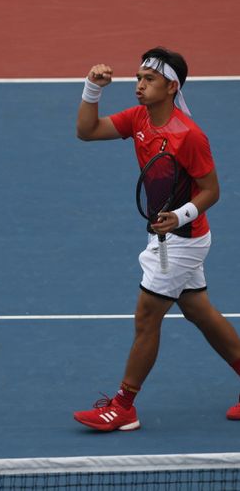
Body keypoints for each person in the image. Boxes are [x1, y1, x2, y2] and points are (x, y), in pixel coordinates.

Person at [71, 47, 240, 431]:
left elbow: (212, 191)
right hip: (169, 237)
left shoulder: (189, 135)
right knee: (200, 312)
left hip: (183, 239)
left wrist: (179, 216)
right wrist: (91, 89)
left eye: (148, 79)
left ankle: (123, 406)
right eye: (138, 78)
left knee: (147, 316)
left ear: (171, 86)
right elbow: (87, 131)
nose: (139, 85)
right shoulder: (139, 118)